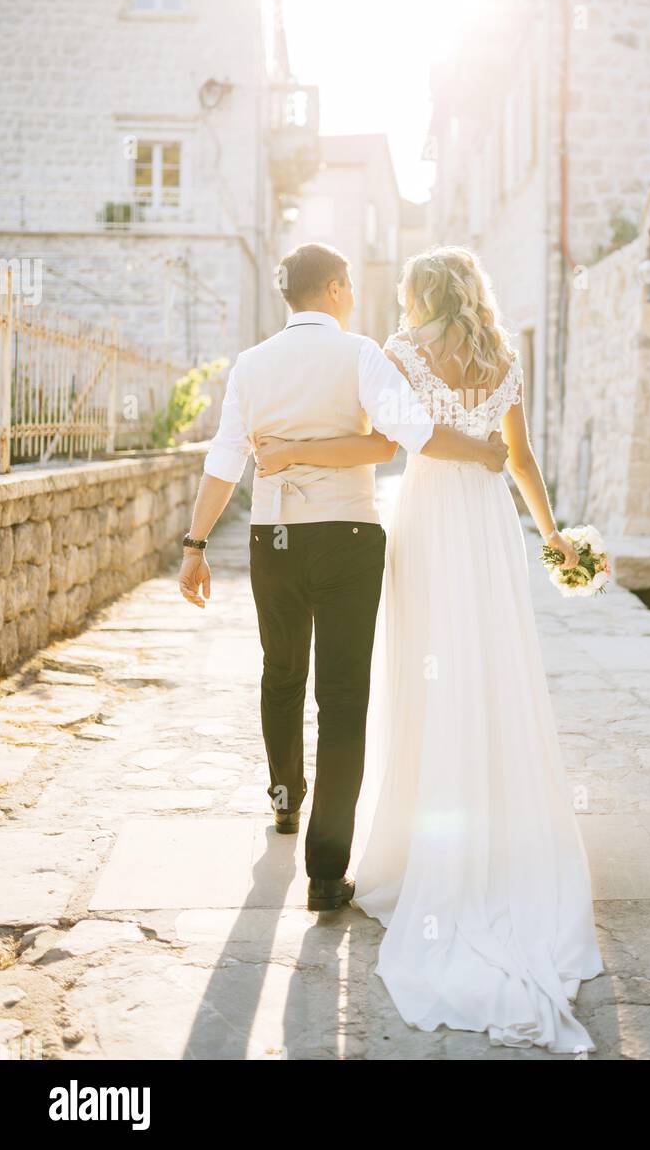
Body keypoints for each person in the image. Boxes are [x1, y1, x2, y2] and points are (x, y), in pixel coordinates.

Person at [255, 245, 604, 1054]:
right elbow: (520, 460)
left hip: (430, 522)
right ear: (474, 290)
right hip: (487, 527)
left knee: (426, 674)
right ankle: (494, 838)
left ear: (419, 294)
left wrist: (297, 451)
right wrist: (555, 540)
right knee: (491, 668)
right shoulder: (503, 356)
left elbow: (389, 441)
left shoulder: (400, 352)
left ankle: (422, 845)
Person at [178, 242, 507, 914]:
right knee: (344, 698)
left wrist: (195, 544)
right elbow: (405, 436)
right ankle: (328, 873)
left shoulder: (251, 364)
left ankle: (284, 802)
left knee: (281, 673)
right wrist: (481, 448)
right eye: (349, 283)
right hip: (351, 538)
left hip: (275, 540)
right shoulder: (360, 354)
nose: (354, 293)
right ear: (331, 288)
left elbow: (225, 458)